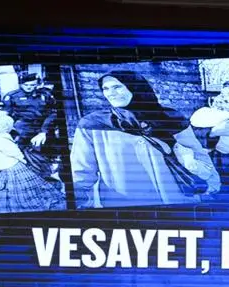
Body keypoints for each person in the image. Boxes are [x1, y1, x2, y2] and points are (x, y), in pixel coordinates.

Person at [70, 70, 220, 208]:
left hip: (176, 200)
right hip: (124, 207)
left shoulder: (170, 118)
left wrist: (211, 187)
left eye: (117, 87)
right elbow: (81, 171)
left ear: (135, 87)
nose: (111, 93)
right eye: (106, 89)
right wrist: (79, 203)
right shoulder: (93, 125)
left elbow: (198, 154)